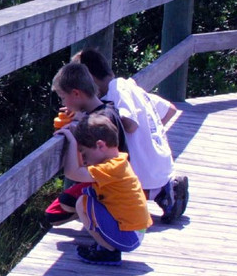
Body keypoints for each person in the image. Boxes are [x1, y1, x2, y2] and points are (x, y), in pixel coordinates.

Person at [74, 48, 189, 223]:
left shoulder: (118, 88)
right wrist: (148, 138)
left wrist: (91, 116)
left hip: (147, 172)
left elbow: (130, 124)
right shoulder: (132, 87)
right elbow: (170, 110)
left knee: (109, 191)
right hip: (161, 165)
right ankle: (164, 191)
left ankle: (163, 191)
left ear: (90, 79)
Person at [55, 112, 151, 265]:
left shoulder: (111, 168)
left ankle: (109, 252)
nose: (84, 160)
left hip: (129, 236)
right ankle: (105, 246)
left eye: (84, 153)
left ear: (100, 145)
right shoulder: (118, 160)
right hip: (133, 232)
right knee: (87, 198)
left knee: (85, 203)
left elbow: (73, 173)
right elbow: (78, 170)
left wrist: (72, 143)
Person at [43, 61, 126, 226]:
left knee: (64, 204)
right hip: (111, 178)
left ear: (75, 93)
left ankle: (101, 213)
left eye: (63, 97)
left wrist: (73, 137)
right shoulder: (108, 110)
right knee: (53, 214)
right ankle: (93, 210)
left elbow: (76, 169)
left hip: (108, 184)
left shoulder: (96, 124)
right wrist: (81, 116)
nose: (63, 104)